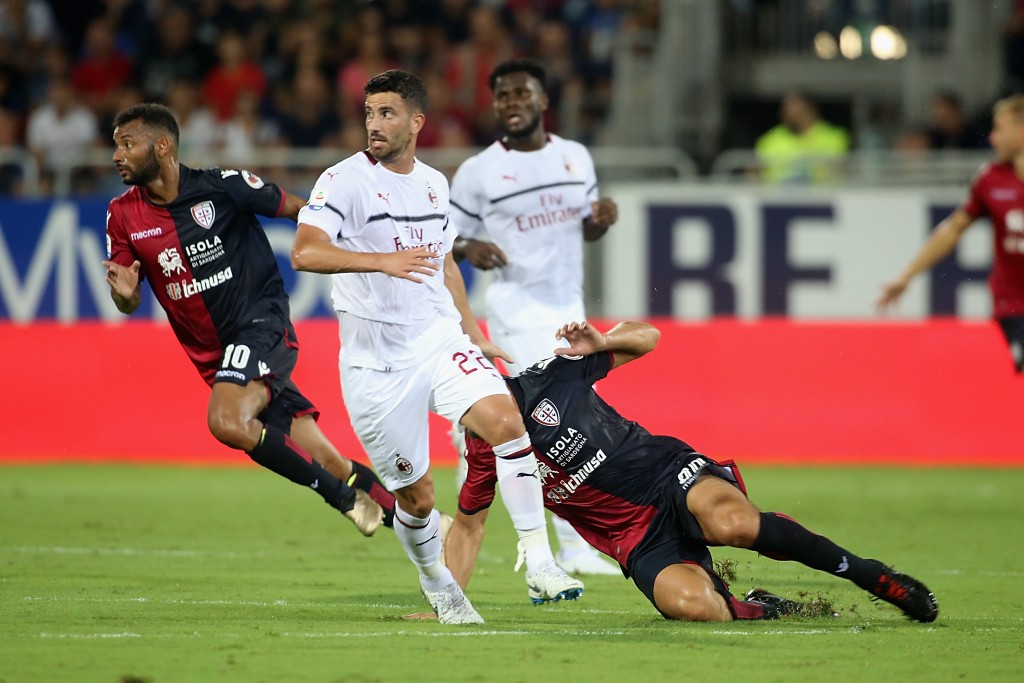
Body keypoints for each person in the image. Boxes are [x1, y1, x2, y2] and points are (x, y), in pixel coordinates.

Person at [289, 69, 582, 625]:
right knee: (417, 499)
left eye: (387, 113)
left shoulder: (433, 183)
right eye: (370, 113)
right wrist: (380, 261)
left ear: (416, 121)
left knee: (507, 421)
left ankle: (541, 561)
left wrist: (472, 332)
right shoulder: (343, 180)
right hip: (375, 365)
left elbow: (444, 261)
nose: (374, 124)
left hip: (436, 338)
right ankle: (440, 587)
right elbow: (304, 252)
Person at [445, 320, 940, 623]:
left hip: (670, 477)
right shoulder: (485, 451)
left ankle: (873, 577)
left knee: (735, 525)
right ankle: (760, 605)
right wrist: (446, 601)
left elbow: (650, 338)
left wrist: (605, 338)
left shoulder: (555, 376)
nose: (472, 416)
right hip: (634, 538)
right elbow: (469, 525)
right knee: (697, 609)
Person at [102, 103, 394, 543]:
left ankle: (343, 499)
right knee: (329, 458)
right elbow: (127, 296)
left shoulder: (224, 188)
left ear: (161, 146)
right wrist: (125, 297)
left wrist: (365, 251)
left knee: (226, 421)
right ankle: (427, 525)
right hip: (216, 360)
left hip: (260, 323)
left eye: (127, 144)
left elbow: (300, 210)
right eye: (115, 145)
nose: (116, 155)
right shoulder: (122, 214)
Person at [449, 58, 620, 576]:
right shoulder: (479, 172)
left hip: (567, 309)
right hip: (514, 311)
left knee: (566, 425)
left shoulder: (575, 157)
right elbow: (441, 240)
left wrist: (600, 222)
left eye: (521, 93)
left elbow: (585, 228)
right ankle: (562, 550)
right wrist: (468, 245)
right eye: (502, 96)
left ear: (544, 101)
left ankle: (566, 544)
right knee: (549, 424)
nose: (511, 103)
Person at [877, 93, 1024, 372]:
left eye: (1000, 129)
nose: (992, 138)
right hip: (1015, 305)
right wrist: (906, 276)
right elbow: (952, 230)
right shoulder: (991, 180)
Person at [754, 89, 849, 184]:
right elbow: (755, 173)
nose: (787, 113)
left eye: (795, 107)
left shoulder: (835, 137)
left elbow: (841, 171)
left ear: (810, 109)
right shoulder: (769, 140)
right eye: (785, 109)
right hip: (780, 197)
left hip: (823, 197)